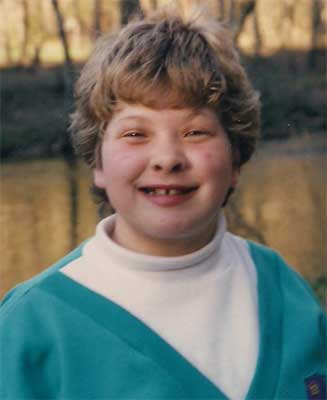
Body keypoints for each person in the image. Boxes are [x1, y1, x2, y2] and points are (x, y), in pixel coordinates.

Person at [0, 6, 325, 400]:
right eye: (136, 133)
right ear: (97, 162)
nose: (167, 157)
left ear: (235, 159)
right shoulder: (29, 327)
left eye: (195, 131)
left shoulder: (284, 289)